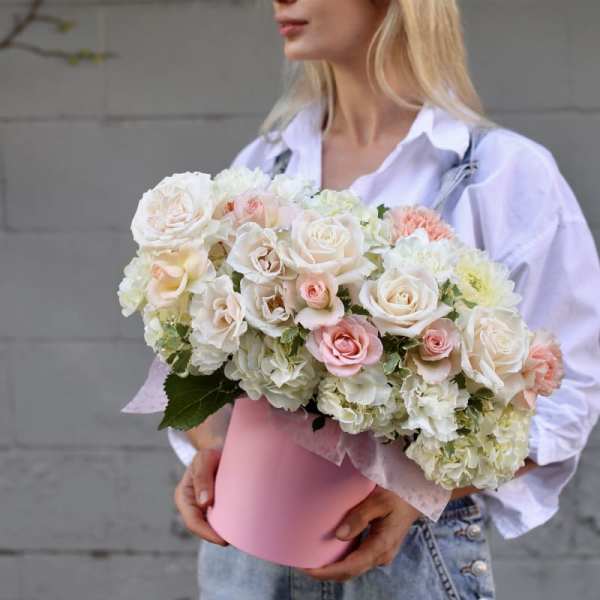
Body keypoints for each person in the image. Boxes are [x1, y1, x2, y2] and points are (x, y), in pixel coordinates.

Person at [166, 1, 600, 598]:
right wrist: (212, 452)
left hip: (410, 562)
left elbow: (569, 390)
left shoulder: (503, 173)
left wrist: (420, 491)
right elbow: (193, 354)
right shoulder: (264, 166)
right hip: (246, 558)